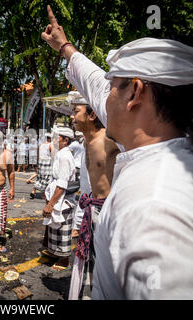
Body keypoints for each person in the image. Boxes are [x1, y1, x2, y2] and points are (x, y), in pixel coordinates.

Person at [42, 5, 193, 299]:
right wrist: (65, 48)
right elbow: (95, 86)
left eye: (113, 85)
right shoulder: (167, 157)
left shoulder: (157, 201)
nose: (106, 97)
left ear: (135, 93)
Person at [66, 91, 119, 299]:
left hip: (108, 213)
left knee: (107, 268)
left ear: (92, 115)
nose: (71, 116)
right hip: (92, 209)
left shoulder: (109, 139)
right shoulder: (86, 142)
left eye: (75, 111)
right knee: (91, 262)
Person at [40, 127, 77, 271]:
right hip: (57, 195)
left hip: (63, 199)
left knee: (62, 230)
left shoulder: (65, 156)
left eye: (57, 138)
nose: (53, 140)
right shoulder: (61, 154)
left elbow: (62, 184)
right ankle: (54, 252)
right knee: (54, 226)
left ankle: (64, 259)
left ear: (65, 140)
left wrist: (50, 204)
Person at [30, 133, 54, 199]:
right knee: (47, 179)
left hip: (40, 163)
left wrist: (37, 164)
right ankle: (45, 194)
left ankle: (33, 191)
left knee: (39, 178)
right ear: (50, 138)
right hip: (48, 163)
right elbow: (53, 156)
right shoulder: (51, 145)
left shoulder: (40, 145)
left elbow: (37, 155)